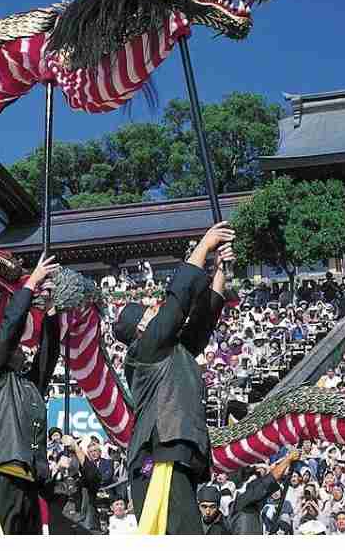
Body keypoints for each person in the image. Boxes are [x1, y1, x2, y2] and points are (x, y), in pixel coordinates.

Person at [121, 223, 232, 535]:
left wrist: (221, 270)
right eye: (148, 313)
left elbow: (202, 321)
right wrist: (204, 245)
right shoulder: (146, 349)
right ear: (140, 329)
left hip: (173, 452)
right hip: (159, 453)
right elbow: (178, 301)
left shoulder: (173, 351)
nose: (156, 310)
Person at [0, 252, 63, 535]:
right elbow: (10, 328)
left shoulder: (26, 384)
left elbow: (48, 355)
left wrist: (50, 312)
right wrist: (31, 282)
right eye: (14, 348)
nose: (21, 348)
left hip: (28, 479)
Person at [230, 449, 300, 534]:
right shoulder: (244, 496)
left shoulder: (250, 501)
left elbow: (270, 482)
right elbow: (269, 480)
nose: (262, 479)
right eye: (260, 475)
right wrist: (288, 459)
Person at [45, 435, 103, 534]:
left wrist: (76, 448)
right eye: (68, 457)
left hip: (86, 530)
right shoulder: (54, 484)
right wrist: (57, 468)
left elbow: (93, 475)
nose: (71, 460)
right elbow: (42, 489)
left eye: (74, 457)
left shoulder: (86, 483)